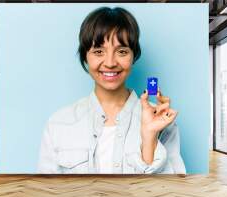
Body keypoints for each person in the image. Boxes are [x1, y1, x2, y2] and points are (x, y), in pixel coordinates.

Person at [37, 7, 185, 174]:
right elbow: (47, 193)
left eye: (121, 51)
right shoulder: (58, 123)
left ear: (133, 56)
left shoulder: (161, 121)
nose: (110, 62)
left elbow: (170, 194)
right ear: (85, 56)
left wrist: (149, 138)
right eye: (98, 51)